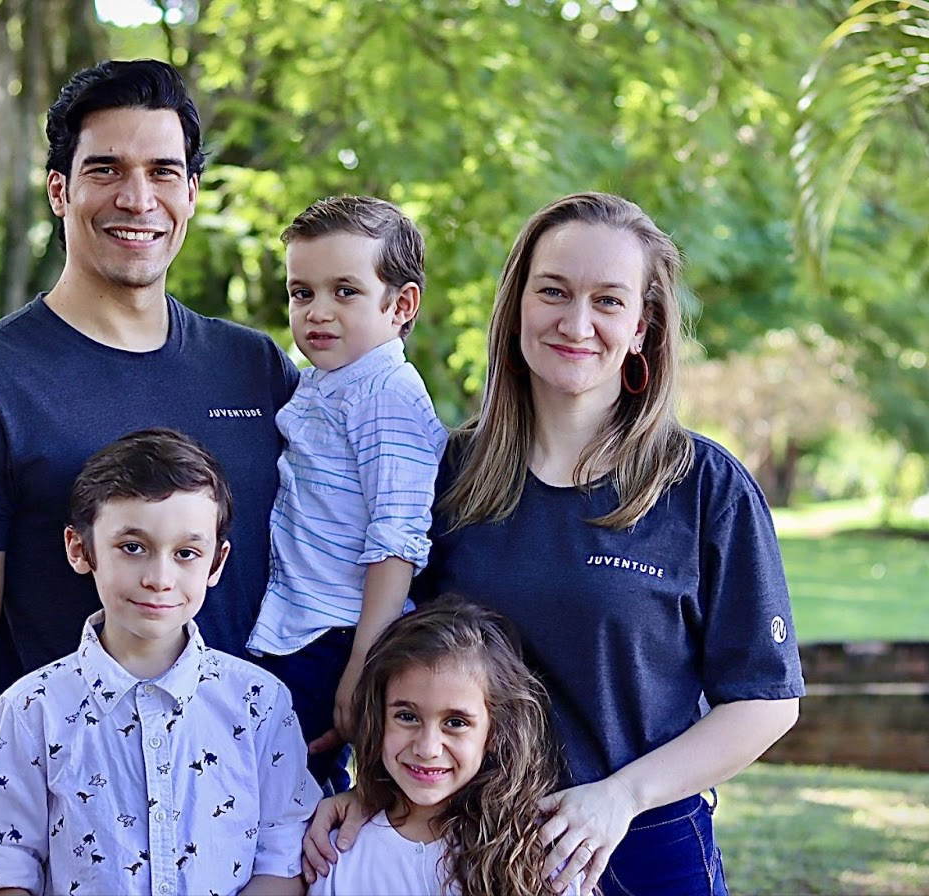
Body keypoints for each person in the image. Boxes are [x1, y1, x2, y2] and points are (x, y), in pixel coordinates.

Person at [304, 192, 804, 896]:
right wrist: (373, 792)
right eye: (554, 292)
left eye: (608, 301)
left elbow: (765, 701)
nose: (576, 322)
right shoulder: (443, 475)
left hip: (640, 847)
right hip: (463, 850)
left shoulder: (703, 488)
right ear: (516, 308)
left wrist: (621, 798)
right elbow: (400, 667)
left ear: (642, 327)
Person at [0, 59, 297, 799]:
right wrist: (33, 835)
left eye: (164, 172)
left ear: (192, 194)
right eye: (106, 169)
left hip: (262, 814)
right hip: (86, 825)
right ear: (60, 190)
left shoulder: (257, 370)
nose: (137, 198)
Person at [0, 428, 317, 896]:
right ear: (79, 549)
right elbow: (3, 864)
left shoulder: (259, 704)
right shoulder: (31, 710)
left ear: (216, 562)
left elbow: (283, 855)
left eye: (186, 553)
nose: (159, 578)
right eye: (133, 547)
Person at [244, 196, 448, 793]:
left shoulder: (387, 395)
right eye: (301, 293)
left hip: (336, 636)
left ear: (401, 304)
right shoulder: (325, 384)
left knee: (288, 798)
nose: (317, 313)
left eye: (345, 292)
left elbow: (398, 538)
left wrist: (363, 663)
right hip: (294, 627)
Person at [307, 597, 571, 896]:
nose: (427, 748)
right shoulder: (337, 850)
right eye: (407, 717)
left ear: (495, 730)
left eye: (456, 722)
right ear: (378, 719)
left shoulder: (542, 853)